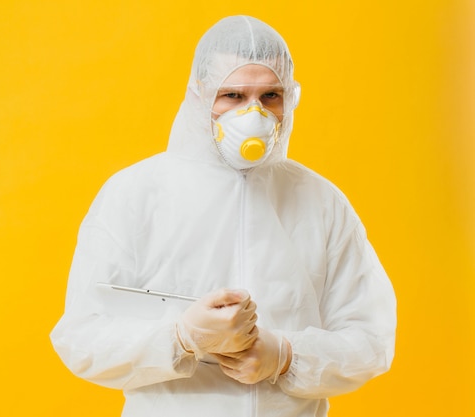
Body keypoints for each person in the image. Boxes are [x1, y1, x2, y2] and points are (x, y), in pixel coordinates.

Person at [50, 15, 396, 417]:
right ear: (199, 96)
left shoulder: (321, 202)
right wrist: (180, 338)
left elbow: (372, 340)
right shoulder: (135, 194)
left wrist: (286, 355)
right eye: (232, 94)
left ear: (290, 98)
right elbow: (81, 338)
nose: (254, 115)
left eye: (271, 96)